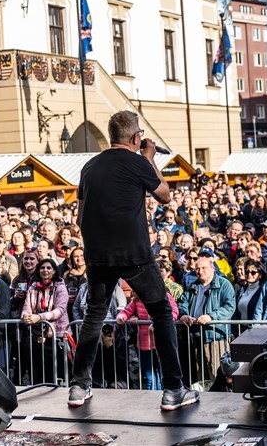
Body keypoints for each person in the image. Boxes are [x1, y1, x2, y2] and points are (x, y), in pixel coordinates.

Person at [68, 110, 198, 411]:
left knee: (94, 315)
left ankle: (79, 386)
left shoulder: (89, 167)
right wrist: (150, 157)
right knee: (162, 313)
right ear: (136, 137)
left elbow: (79, 216)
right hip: (134, 254)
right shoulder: (138, 161)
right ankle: (174, 389)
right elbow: (164, 195)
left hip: (99, 255)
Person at [178, 257, 236, 385]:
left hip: (215, 336)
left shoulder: (224, 284)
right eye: (197, 269)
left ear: (212, 268)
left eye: (204, 268)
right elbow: (182, 303)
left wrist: (211, 316)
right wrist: (183, 315)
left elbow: (229, 307)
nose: (200, 271)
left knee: (216, 374)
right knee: (201, 378)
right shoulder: (193, 285)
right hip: (196, 336)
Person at [20, 259, 69, 384]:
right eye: (42, 268)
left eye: (48, 268)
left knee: (56, 372)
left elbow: (59, 311)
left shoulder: (60, 287)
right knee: (37, 372)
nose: (45, 270)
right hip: (37, 334)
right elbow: (27, 307)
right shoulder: (33, 286)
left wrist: (39, 317)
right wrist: (26, 316)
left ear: (54, 271)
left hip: (57, 334)